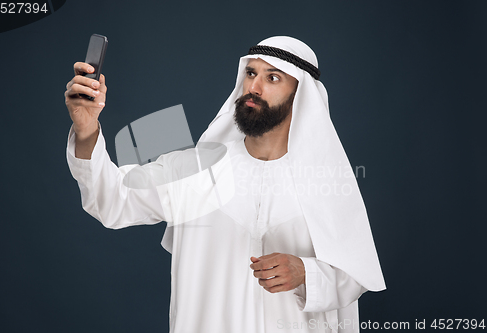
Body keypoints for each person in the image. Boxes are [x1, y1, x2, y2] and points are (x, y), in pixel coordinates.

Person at [65, 36, 385, 333]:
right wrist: (86, 130)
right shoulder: (199, 169)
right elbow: (113, 200)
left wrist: (306, 273)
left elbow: (355, 274)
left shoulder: (326, 180)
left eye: (272, 78)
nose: (254, 87)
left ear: (300, 95)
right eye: (250, 73)